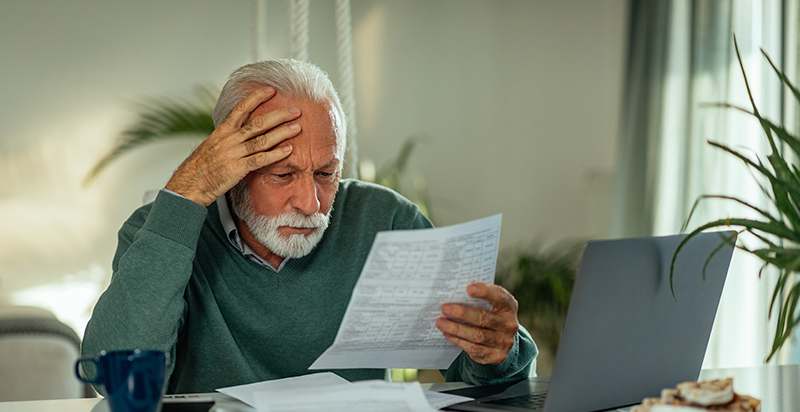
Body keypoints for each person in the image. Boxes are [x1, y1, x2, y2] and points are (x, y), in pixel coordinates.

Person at [81, 59, 537, 393]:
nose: (310, 202)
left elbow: (485, 375)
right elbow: (113, 378)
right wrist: (185, 194)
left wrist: (497, 350)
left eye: (326, 173)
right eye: (283, 175)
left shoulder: (387, 221)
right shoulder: (160, 231)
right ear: (231, 165)